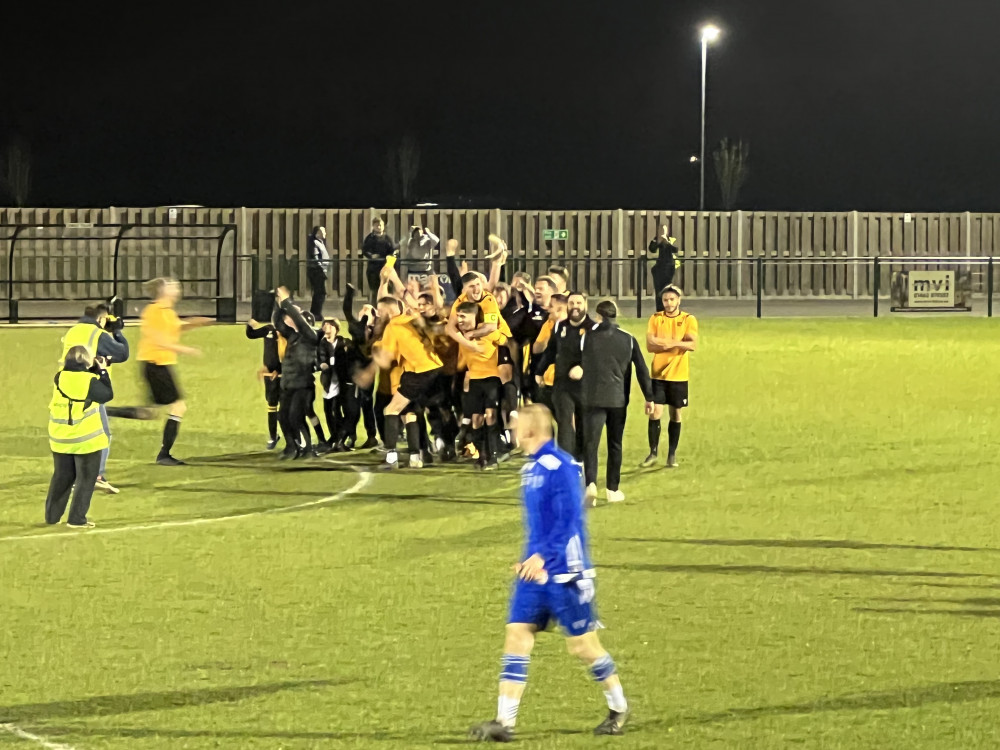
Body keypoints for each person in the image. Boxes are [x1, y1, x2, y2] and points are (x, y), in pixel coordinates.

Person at [469, 404, 629, 742]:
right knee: (517, 635)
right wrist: (529, 559)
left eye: (516, 426)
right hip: (535, 572)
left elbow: (570, 519)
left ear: (531, 430)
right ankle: (504, 722)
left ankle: (618, 707)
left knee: (583, 647)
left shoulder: (562, 467)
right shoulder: (531, 469)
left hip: (567, 574)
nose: (511, 432)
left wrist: (543, 556)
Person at [571, 300, 654, 505]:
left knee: (591, 444)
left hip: (592, 398)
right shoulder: (629, 339)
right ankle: (612, 489)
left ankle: (590, 484)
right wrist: (649, 397)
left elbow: (575, 363)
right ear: (615, 315)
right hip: (618, 399)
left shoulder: (587, 338)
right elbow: (642, 371)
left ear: (598, 316)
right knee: (614, 444)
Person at [136, 278, 211, 466]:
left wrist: (197, 323)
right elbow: (159, 341)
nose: (177, 289)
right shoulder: (153, 312)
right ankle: (164, 455)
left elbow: (177, 327)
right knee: (178, 406)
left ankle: (105, 410)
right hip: (155, 365)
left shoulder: (167, 312)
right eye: (173, 287)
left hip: (161, 365)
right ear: (163, 291)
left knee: (149, 412)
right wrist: (186, 350)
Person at [59, 303, 130, 494]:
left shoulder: (74, 331)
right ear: (101, 318)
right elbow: (123, 353)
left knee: (78, 433)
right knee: (101, 434)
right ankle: (95, 476)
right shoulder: (96, 334)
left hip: (66, 387)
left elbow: (92, 354)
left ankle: (74, 475)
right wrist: (117, 331)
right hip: (88, 387)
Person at [367, 296, 443, 470]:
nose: (378, 315)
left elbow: (386, 358)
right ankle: (416, 458)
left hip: (419, 371)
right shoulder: (411, 319)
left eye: (380, 311)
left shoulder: (393, 326)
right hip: (433, 369)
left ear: (389, 310)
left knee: (390, 409)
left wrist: (369, 368)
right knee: (409, 413)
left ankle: (391, 458)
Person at [44, 345, 114, 529]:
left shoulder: (59, 377)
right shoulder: (90, 381)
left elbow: (75, 379)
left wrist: (93, 368)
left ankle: (52, 516)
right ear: (86, 361)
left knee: (62, 476)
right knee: (86, 478)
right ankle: (76, 519)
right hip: (85, 439)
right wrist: (103, 371)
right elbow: (106, 395)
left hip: (60, 437)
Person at [642, 285, 698, 468]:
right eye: (665, 300)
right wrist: (678, 344)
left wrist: (666, 343)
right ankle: (653, 452)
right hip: (658, 374)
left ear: (678, 300)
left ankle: (671, 454)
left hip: (679, 375)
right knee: (655, 413)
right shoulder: (656, 319)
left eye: (671, 300)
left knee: (675, 413)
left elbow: (692, 345)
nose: (668, 303)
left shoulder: (688, 319)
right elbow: (650, 346)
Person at [535, 291, 592, 460]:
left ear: (585, 305)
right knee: (565, 421)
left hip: (585, 384)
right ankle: (565, 461)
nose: (575, 307)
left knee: (582, 422)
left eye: (579, 303)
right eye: (572, 303)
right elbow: (551, 350)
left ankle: (580, 458)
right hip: (562, 383)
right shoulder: (560, 326)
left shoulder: (592, 328)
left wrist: (583, 368)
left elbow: (599, 356)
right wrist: (540, 371)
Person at [450, 301, 505, 470]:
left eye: (463, 316)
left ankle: (494, 456)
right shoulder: (461, 335)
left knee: (490, 416)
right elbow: (461, 361)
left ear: (474, 317)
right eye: (458, 316)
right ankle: (482, 455)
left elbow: (503, 341)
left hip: (492, 379)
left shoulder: (487, 331)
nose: (459, 320)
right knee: (476, 420)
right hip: (474, 381)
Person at [272, 287, 321, 459]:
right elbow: (277, 323)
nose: (289, 320)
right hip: (288, 383)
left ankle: (309, 448)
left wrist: (287, 301)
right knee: (282, 416)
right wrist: (278, 303)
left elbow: (300, 322)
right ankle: (291, 446)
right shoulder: (292, 336)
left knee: (296, 416)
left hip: (303, 385)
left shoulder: (311, 336)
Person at [245, 315, 285, 450]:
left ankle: (296, 438)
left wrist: (278, 370)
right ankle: (273, 436)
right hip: (269, 376)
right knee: (271, 405)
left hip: (284, 375)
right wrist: (250, 324)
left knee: (287, 407)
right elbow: (251, 335)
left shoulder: (289, 333)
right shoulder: (269, 330)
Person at [648, 225, 683, 312]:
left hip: (668, 268)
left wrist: (667, 242)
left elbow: (675, 250)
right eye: (660, 230)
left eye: (664, 230)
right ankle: (659, 309)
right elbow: (652, 249)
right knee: (658, 290)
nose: (662, 232)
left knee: (667, 289)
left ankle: (669, 308)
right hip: (658, 269)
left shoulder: (671, 239)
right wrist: (657, 242)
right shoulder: (656, 239)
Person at [362, 217, 398, 300]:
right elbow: (364, 250)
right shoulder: (369, 238)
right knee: (375, 291)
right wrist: (371, 256)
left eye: (380, 225)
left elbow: (392, 252)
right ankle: (374, 309)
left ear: (383, 226)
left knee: (387, 290)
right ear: (373, 226)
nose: (379, 227)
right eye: (376, 225)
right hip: (373, 269)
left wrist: (389, 266)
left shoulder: (387, 239)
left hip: (385, 268)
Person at [307, 226, 331, 319]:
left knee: (319, 292)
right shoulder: (314, 242)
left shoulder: (320, 242)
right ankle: (316, 313)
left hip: (320, 270)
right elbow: (315, 257)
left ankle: (316, 312)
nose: (325, 233)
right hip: (316, 271)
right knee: (320, 292)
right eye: (322, 231)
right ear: (317, 233)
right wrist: (320, 268)